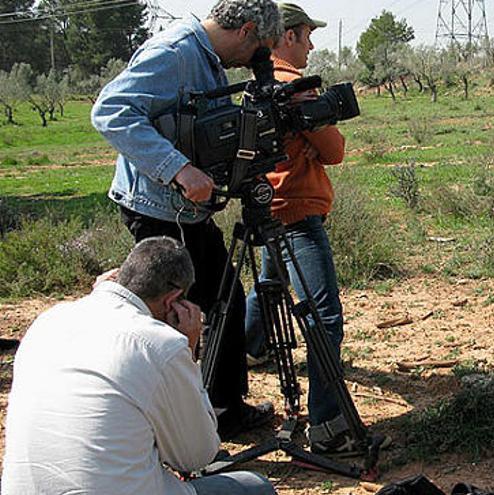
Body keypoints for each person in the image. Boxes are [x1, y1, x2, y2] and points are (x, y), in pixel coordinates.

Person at [90, 0, 284, 438]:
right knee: (171, 316)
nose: (255, 63)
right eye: (259, 50)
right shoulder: (176, 53)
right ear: (247, 29)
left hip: (183, 210)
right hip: (158, 210)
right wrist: (178, 169)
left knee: (225, 299)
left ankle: (222, 409)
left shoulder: (206, 60)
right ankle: (165, 423)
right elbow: (110, 111)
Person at [1, 237, 276, 495]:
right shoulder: (161, 344)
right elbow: (196, 456)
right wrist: (189, 353)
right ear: (173, 301)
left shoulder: (49, 320)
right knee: (254, 487)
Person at [242, 2, 366, 455]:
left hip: (268, 206)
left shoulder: (255, 83)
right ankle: (328, 425)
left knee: (268, 284)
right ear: (287, 36)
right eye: (307, 35)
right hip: (298, 210)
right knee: (323, 318)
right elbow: (333, 148)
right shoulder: (293, 87)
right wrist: (313, 146)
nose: (312, 44)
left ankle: (252, 348)